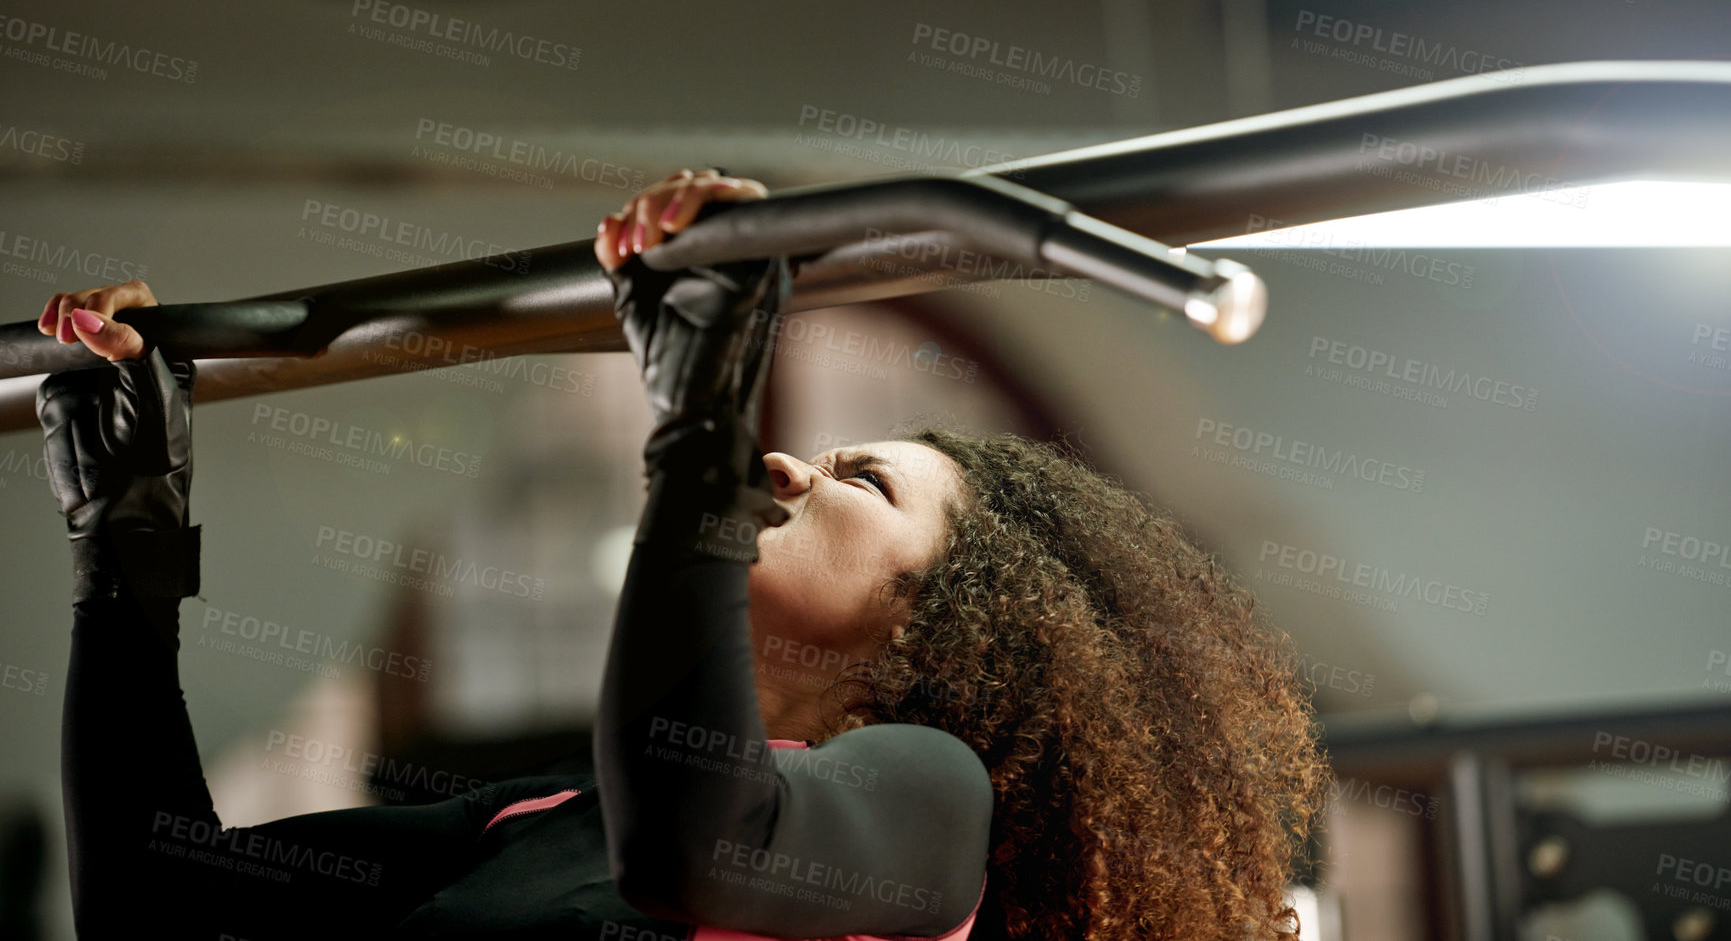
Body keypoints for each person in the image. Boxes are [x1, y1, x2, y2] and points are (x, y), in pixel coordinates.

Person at [37, 168, 1329, 941]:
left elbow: (699, 847)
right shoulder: (551, 817)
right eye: (816, 454)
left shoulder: (936, 798)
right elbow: (158, 904)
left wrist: (700, 421)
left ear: (939, 630)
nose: (790, 464)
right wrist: (126, 537)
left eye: (858, 480)